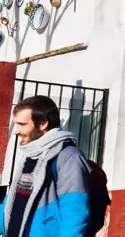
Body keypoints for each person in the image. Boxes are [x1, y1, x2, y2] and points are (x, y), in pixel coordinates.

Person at [0, 96, 92, 236]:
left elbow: (75, 213)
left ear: (43, 124)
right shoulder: (31, 153)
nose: (16, 131)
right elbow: (13, 199)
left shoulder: (68, 157)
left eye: (22, 124)